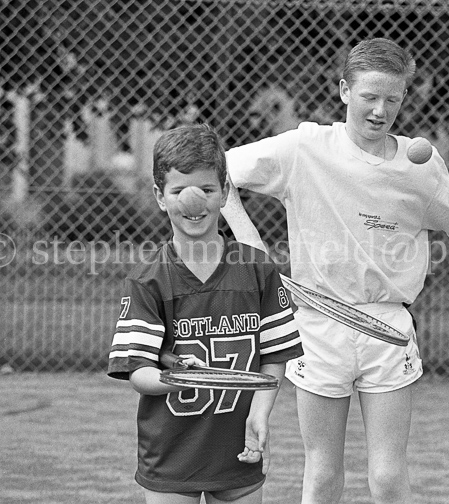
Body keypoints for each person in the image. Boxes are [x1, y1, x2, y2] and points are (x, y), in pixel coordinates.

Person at [221, 38, 449, 503]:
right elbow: (218, 170)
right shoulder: (305, 147)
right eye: (369, 96)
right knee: (323, 473)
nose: (380, 111)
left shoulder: (422, 164)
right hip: (317, 325)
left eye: (393, 99)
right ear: (345, 90)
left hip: (388, 327)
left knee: (387, 477)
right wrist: (252, 246)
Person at [107, 123, 303, 504]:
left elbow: (275, 355)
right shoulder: (149, 280)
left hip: (238, 447)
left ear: (225, 192)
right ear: (160, 197)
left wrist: (260, 412)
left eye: (207, 190)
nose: (193, 202)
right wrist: (177, 377)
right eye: (179, 191)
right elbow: (139, 372)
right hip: (171, 454)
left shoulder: (258, 270)